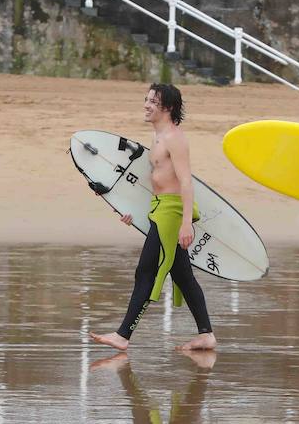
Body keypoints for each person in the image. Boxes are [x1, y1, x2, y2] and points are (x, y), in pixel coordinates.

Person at [89, 84, 215, 352]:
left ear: (167, 107)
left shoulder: (174, 138)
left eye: (153, 102)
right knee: (183, 276)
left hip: (171, 212)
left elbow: (186, 182)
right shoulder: (157, 137)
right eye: (146, 100)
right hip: (159, 208)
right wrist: (129, 212)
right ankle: (206, 335)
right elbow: (153, 183)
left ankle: (123, 335)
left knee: (146, 271)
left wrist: (184, 225)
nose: (146, 105)